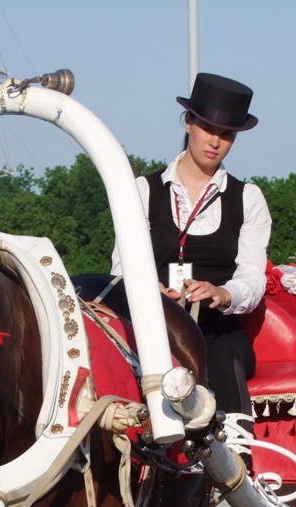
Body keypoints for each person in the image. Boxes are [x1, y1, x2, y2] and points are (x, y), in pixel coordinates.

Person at [111, 72, 271, 450]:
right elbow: (121, 269)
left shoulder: (248, 198)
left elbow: (252, 278)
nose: (215, 141)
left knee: (225, 353)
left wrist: (223, 292)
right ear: (188, 122)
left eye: (227, 134)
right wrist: (153, 293)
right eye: (208, 128)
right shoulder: (143, 190)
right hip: (152, 329)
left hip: (217, 331)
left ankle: (237, 462)